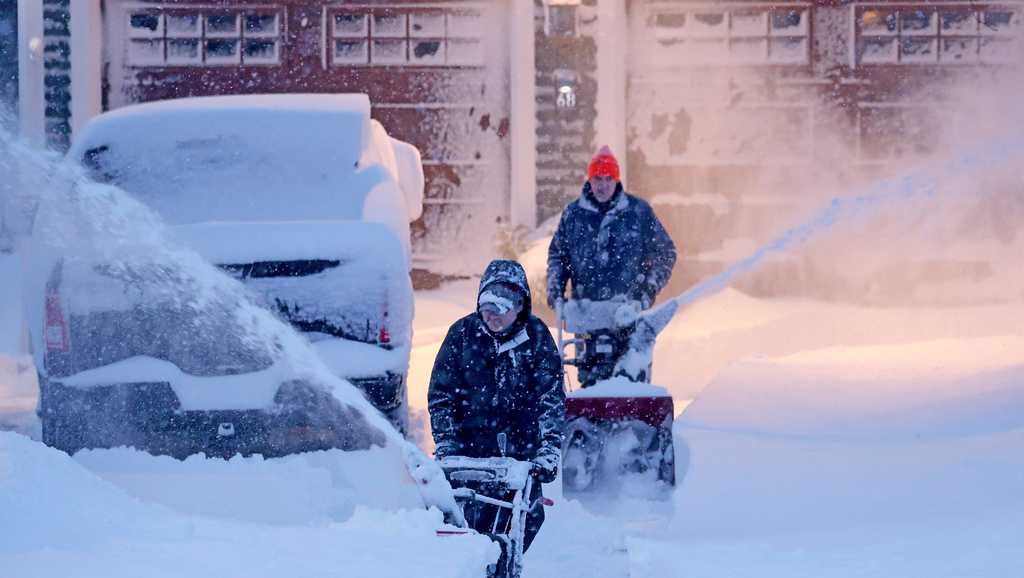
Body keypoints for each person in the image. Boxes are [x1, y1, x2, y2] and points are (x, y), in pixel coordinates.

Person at [428, 259, 565, 565]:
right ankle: (472, 566)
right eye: (486, 306)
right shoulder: (462, 336)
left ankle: (502, 564)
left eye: (501, 308)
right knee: (468, 523)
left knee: (527, 517)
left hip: (520, 454)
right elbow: (441, 395)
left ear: (520, 307)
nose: (492, 315)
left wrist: (548, 449)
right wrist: (447, 441)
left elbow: (551, 399)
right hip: (468, 451)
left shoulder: (537, 339)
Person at [547, 146, 677, 386]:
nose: (603, 185)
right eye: (598, 178)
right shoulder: (573, 215)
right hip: (587, 315)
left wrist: (647, 290)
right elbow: (558, 256)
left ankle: (632, 422)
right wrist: (555, 289)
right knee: (592, 388)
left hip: (627, 313)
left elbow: (665, 252)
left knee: (630, 382)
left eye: (608, 178)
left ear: (617, 180)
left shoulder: (638, 213)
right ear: (590, 179)